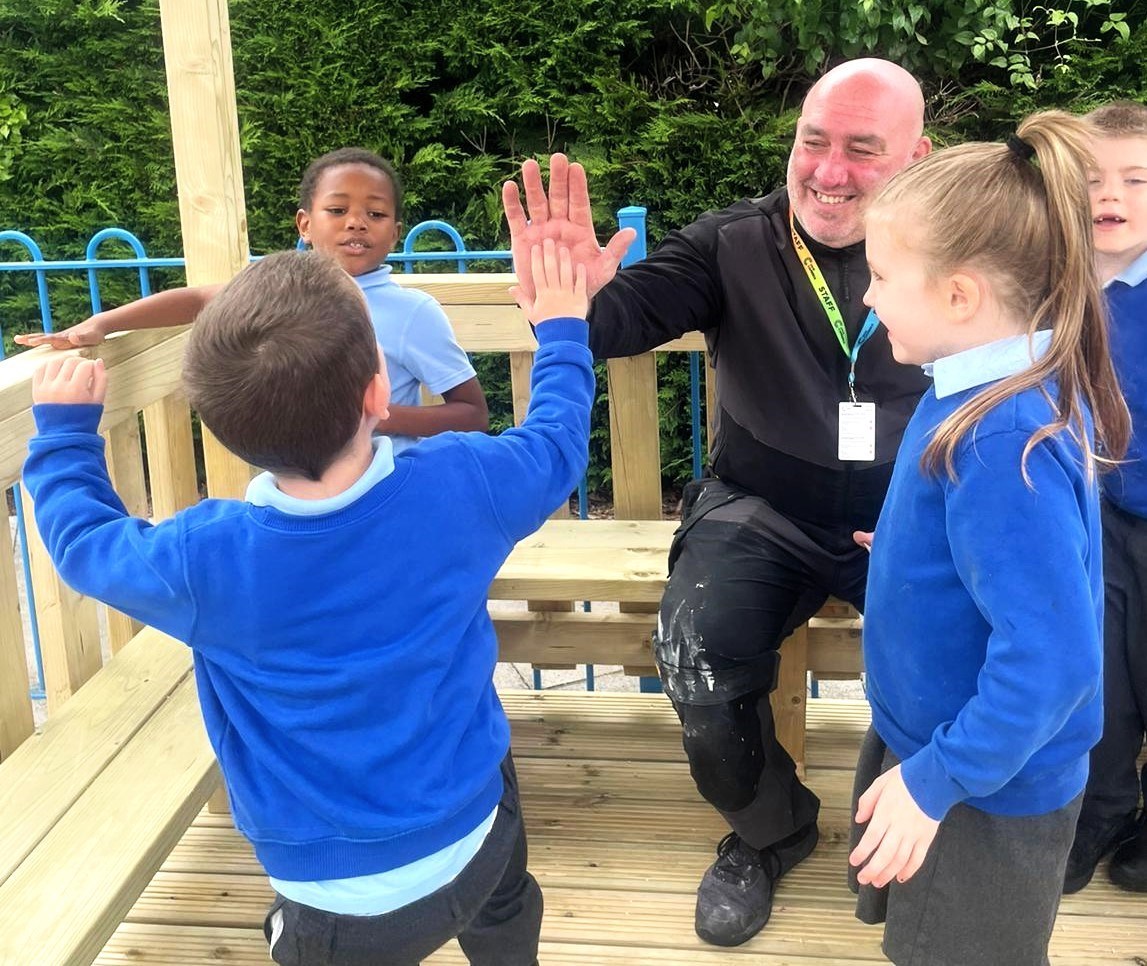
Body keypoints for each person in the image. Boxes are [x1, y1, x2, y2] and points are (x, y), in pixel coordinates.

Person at [21, 244, 594, 966]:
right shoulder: (462, 485)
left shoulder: (205, 561)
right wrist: (563, 326)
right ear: (378, 393)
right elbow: (556, 440)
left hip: (339, 903)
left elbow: (84, 544)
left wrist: (67, 435)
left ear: (223, 425)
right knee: (506, 912)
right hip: (480, 833)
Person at [502, 58, 931, 946]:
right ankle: (771, 829)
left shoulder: (961, 244)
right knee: (694, 649)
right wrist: (575, 299)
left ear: (917, 156)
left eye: (861, 149)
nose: (827, 170)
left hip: (916, 514)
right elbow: (625, 318)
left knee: (968, 647)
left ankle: (929, 820)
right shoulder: (733, 242)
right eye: (812, 142)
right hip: (761, 508)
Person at [849, 111, 1129, 965]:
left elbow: (1053, 661)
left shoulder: (1001, 439)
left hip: (981, 783)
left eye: (880, 275)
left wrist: (936, 781)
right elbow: (998, 561)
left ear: (959, 294)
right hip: (936, 735)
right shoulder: (985, 387)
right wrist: (909, 556)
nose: (866, 295)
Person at [16, 147, 487, 453]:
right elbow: (200, 298)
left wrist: (372, 417)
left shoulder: (413, 313)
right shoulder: (277, 290)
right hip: (292, 496)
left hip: (389, 496)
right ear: (304, 224)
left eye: (376, 213)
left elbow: (472, 415)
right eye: (338, 209)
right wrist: (102, 322)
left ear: (395, 232)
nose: (356, 223)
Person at [1063, 100, 1147, 895]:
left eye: (1133, 177)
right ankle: (1103, 810)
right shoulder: (1051, 285)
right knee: (1100, 675)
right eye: (1091, 176)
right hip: (1091, 512)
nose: (1109, 193)